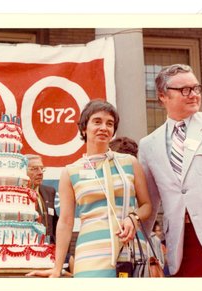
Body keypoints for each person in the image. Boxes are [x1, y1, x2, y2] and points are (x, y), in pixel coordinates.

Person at [27, 99, 151, 277]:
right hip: (90, 253)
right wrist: (57, 267)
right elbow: (66, 221)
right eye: (97, 121)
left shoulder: (130, 163)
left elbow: (146, 205)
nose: (104, 128)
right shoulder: (71, 171)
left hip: (129, 251)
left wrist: (133, 218)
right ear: (84, 128)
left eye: (110, 123)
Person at [138, 64, 202, 277]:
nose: (193, 95)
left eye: (196, 88)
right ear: (163, 96)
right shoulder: (148, 145)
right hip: (181, 249)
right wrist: (140, 247)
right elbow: (149, 205)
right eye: (184, 90)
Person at [25, 154, 58, 244]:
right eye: (35, 169)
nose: (40, 172)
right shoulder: (16, 194)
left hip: (48, 249)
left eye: (42, 168)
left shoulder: (49, 192)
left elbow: (54, 224)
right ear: (22, 172)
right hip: (26, 248)